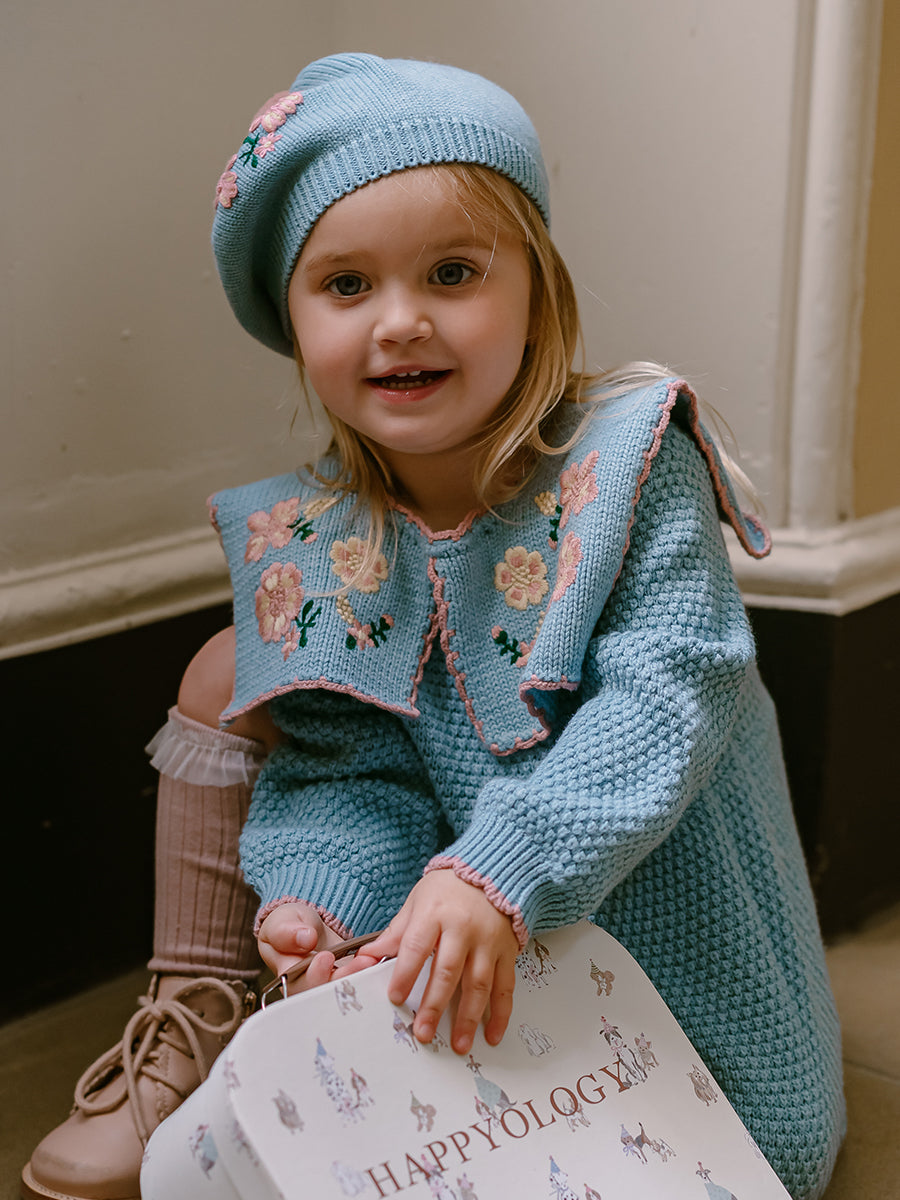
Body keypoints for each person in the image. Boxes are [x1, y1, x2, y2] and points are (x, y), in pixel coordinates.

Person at [26, 53, 844, 1200]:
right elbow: (352, 772)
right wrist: (321, 901)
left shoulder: (627, 464)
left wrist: (503, 871)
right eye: (346, 286)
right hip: (492, 985)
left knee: (740, 1162)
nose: (401, 322)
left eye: (453, 273)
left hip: (686, 976)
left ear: (538, 292)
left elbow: (674, 690)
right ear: (294, 320)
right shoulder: (321, 548)